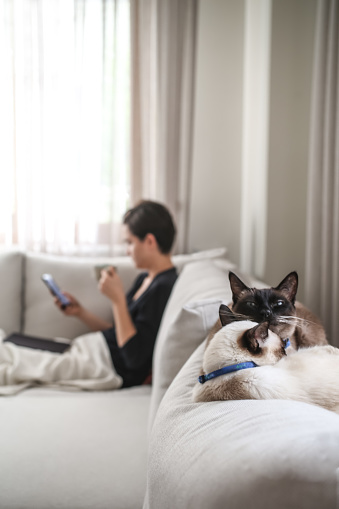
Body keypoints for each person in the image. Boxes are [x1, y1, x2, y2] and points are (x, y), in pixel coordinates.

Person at [55, 199, 178, 388]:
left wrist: (118, 300)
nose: (128, 251)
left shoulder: (164, 287)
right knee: (33, 347)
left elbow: (134, 358)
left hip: (106, 365)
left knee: (18, 359)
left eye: (130, 242)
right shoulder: (143, 279)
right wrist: (80, 312)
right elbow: (120, 333)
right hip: (97, 349)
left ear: (150, 241)